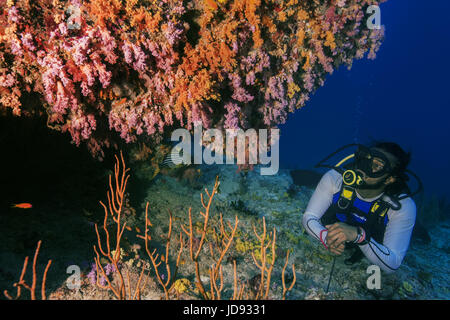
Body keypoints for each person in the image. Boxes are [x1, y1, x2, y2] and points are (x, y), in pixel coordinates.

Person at [302, 142, 417, 273]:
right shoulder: (335, 178)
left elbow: (393, 263)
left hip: (369, 244)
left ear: (390, 179)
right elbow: (309, 216)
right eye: (365, 159)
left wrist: (359, 236)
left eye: (377, 165)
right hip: (332, 229)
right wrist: (326, 237)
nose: (364, 167)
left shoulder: (401, 206)